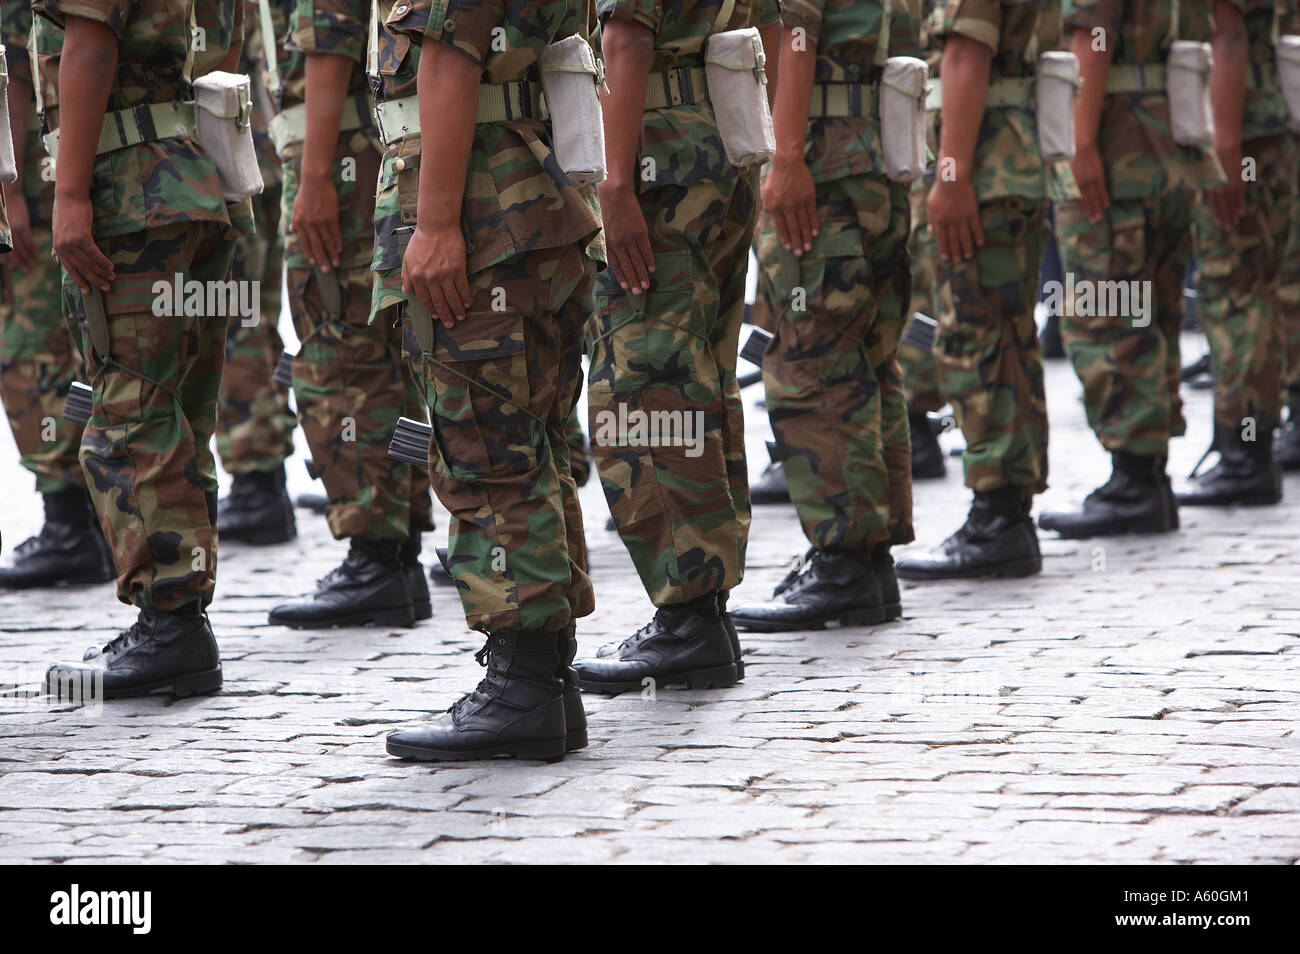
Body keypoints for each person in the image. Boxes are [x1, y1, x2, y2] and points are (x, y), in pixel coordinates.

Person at [370, 0, 604, 761]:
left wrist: (435, 224)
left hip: (483, 209)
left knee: (485, 448)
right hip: (534, 200)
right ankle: (543, 678)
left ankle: (525, 685)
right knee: (529, 442)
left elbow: (449, 54)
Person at [572, 0, 782, 691]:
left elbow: (627, 39)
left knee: (643, 386)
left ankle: (691, 613)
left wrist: (613, 185)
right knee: (701, 381)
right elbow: (771, 27)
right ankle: (704, 611)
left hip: (656, 165)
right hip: (718, 153)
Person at [40, 0, 245, 699]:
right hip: (193, 180)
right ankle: (178, 617)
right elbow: (226, 50)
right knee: (179, 411)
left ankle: (172, 624)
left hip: (130, 193)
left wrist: (70, 194)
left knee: (132, 412)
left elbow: (90, 46)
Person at [729, 0, 921, 632]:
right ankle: (868, 557)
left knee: (813, 361)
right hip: (871, 160)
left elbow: (795, 32)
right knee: (867, 359)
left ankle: (846, 563)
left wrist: (785, 156)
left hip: (821, 167)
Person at [265, 0, 436, 629]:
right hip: (359, 145)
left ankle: (377, 557)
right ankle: (394, 550)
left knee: (338, 349)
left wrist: (315, 178)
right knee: (378, 351)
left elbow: (329, 37)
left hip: (338, 154)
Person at [895, 0, 1077, 582]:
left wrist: (950, 178)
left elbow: (965, 55)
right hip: (1008, 161)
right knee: (1008, 337)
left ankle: (999, 519)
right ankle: (1008, 513)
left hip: (984, 169)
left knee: (976, 338)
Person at [1037, 0, 1227, 539]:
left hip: (1116, 153)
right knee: (1154, 318)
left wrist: (1081, 147)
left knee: (1108, 319)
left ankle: (1135, 484)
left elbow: (1091, 36)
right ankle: (1148, 478)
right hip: (1167, 149)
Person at [0, 0, 114, 589]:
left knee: (31, 352)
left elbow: (12, 68)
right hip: (62, 180)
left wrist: (8, 191)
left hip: (39, 189)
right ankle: (88, 520)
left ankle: (70, 525)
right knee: (71, 348)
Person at [1179, 0, 1299, 506]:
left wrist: (1224, 145)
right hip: (1262, 122)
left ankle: (1246, 455)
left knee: (1236, 292)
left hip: (1244, 128)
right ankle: (1251, 449)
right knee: (1257, 290)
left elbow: (1227, 32)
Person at [213, 1, 298, 547]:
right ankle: (265, 481)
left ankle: (257, 482)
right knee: (254, 322)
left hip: (229, 162)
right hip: (266, 151)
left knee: (234, 324)